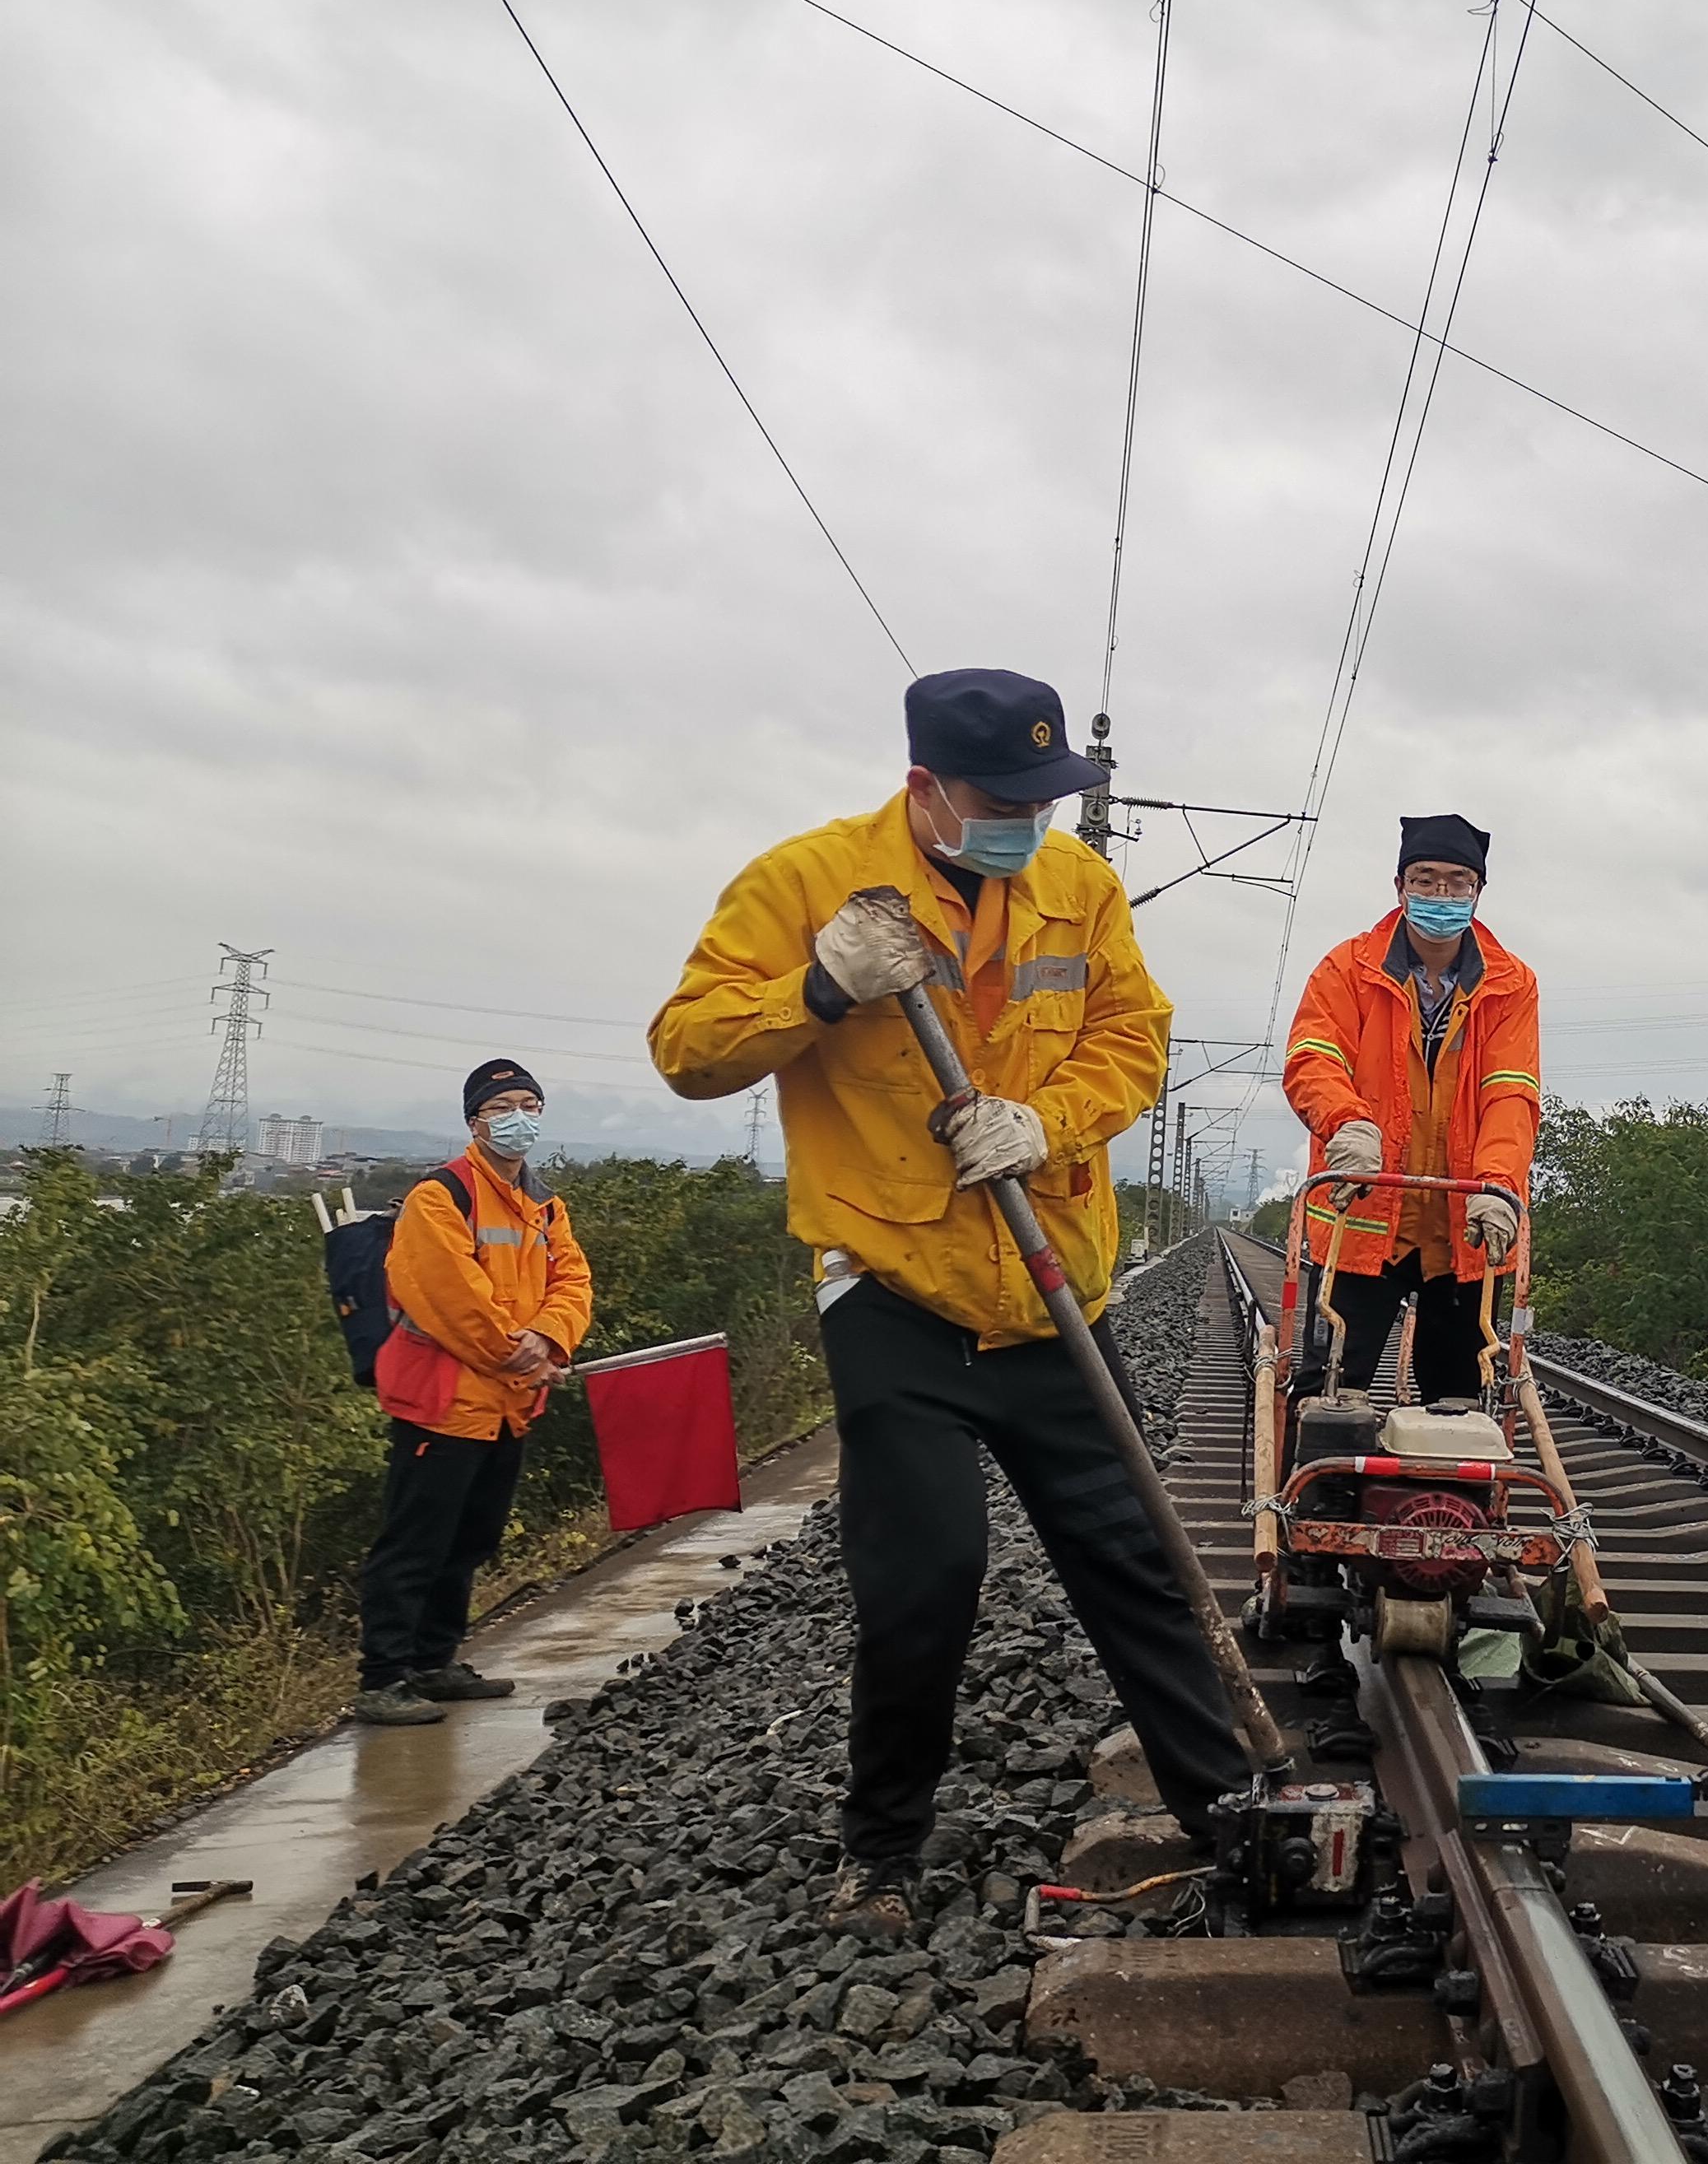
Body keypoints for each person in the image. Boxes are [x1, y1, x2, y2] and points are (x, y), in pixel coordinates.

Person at [649, 667, 1248, 1942]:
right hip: (897, 1292)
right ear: (926, 786)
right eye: (1004, 797)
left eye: (1048, 797)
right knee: (925, 1580)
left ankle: (1232, 1816)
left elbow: (1132, 1035)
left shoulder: (1076, 886)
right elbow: (688, 1050)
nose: (1030, 820)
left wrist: (1047, 1119)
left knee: (1136, 1565)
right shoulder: (809, 885)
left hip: (1050, 1290)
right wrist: (818, 989)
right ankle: (879, 1854)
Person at [351, 1058, 591, 1727]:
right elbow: (453, 1300)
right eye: (504, 1105)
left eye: (531, 1104)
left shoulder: (545, 1204)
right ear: (475, 1120)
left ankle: (433, 1661)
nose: (520, 1116)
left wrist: (549, 1338)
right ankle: (382, 1677)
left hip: (508, 1405)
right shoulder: (441, 1196)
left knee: (470, 1538)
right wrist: (525, 1356)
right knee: (415, 1541)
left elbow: (572, 1282)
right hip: (443, 1400)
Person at [1282, 815, 1541, 1402]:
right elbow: (1312, 1060)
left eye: (1457, 881)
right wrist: (1347, 1122)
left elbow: (1512, 1095)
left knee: (1459, 1395)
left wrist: (1497, 1187)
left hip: (1463, 1228)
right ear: (1399, 887)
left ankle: (1440, 1496)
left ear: (1478, 891)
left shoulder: (1511, 984)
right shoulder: (1347, 969)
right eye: (1426, 880)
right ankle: (1321, 1491)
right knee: (1329, 1387)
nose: (1441, 895)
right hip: (1364, 1216)